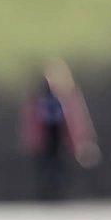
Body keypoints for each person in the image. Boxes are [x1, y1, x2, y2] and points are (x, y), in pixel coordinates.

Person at [21, 60, 100, 199]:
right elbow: (32, 122)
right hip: (46, 141)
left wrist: (81, 141)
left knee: (59, 168)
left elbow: (76, 121)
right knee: (47, 168)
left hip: (60, 141)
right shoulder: (39, 99)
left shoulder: (67, 98)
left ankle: (57, 192)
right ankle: (48, 193)